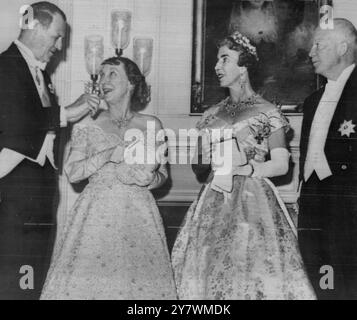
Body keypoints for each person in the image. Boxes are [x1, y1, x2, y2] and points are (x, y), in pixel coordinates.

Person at [172, 31, 316, 300]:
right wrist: (203, 155)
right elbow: (199, 169)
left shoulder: (267, 112)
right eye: (217, 60)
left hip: (253, 201)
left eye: (225, 59)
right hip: (213, 200)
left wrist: (248, 169)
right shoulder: (211, 114)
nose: (217, 66)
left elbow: (282, 163)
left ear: (244, 66)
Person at [40, 56, 177, 300]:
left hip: (139, 215)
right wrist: (107, 155)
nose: (103, 80)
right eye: (101, 75)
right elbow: (73, 172)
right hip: (95, 215)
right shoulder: (87, 122)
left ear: (132, 83)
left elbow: (163, 175)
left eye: (112, 74)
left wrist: (150, 179)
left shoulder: (151, 124)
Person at [0, 2, 101, 300]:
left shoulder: (40, 74)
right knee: (15, 283)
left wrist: (73, 112)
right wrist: (66, 113)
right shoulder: (5, 66)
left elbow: (40, 126)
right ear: (37, 26)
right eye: (57, 37)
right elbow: (15, 122)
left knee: (30, 280)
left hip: (38, 202)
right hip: (13, 202)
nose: (60, 47)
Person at [298, 18, 357, 300]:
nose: (311, 52)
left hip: (349, 213)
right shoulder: (312, 101)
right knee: (323, 285)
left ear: (343, 47)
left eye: (319, 45)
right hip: (313, 209)